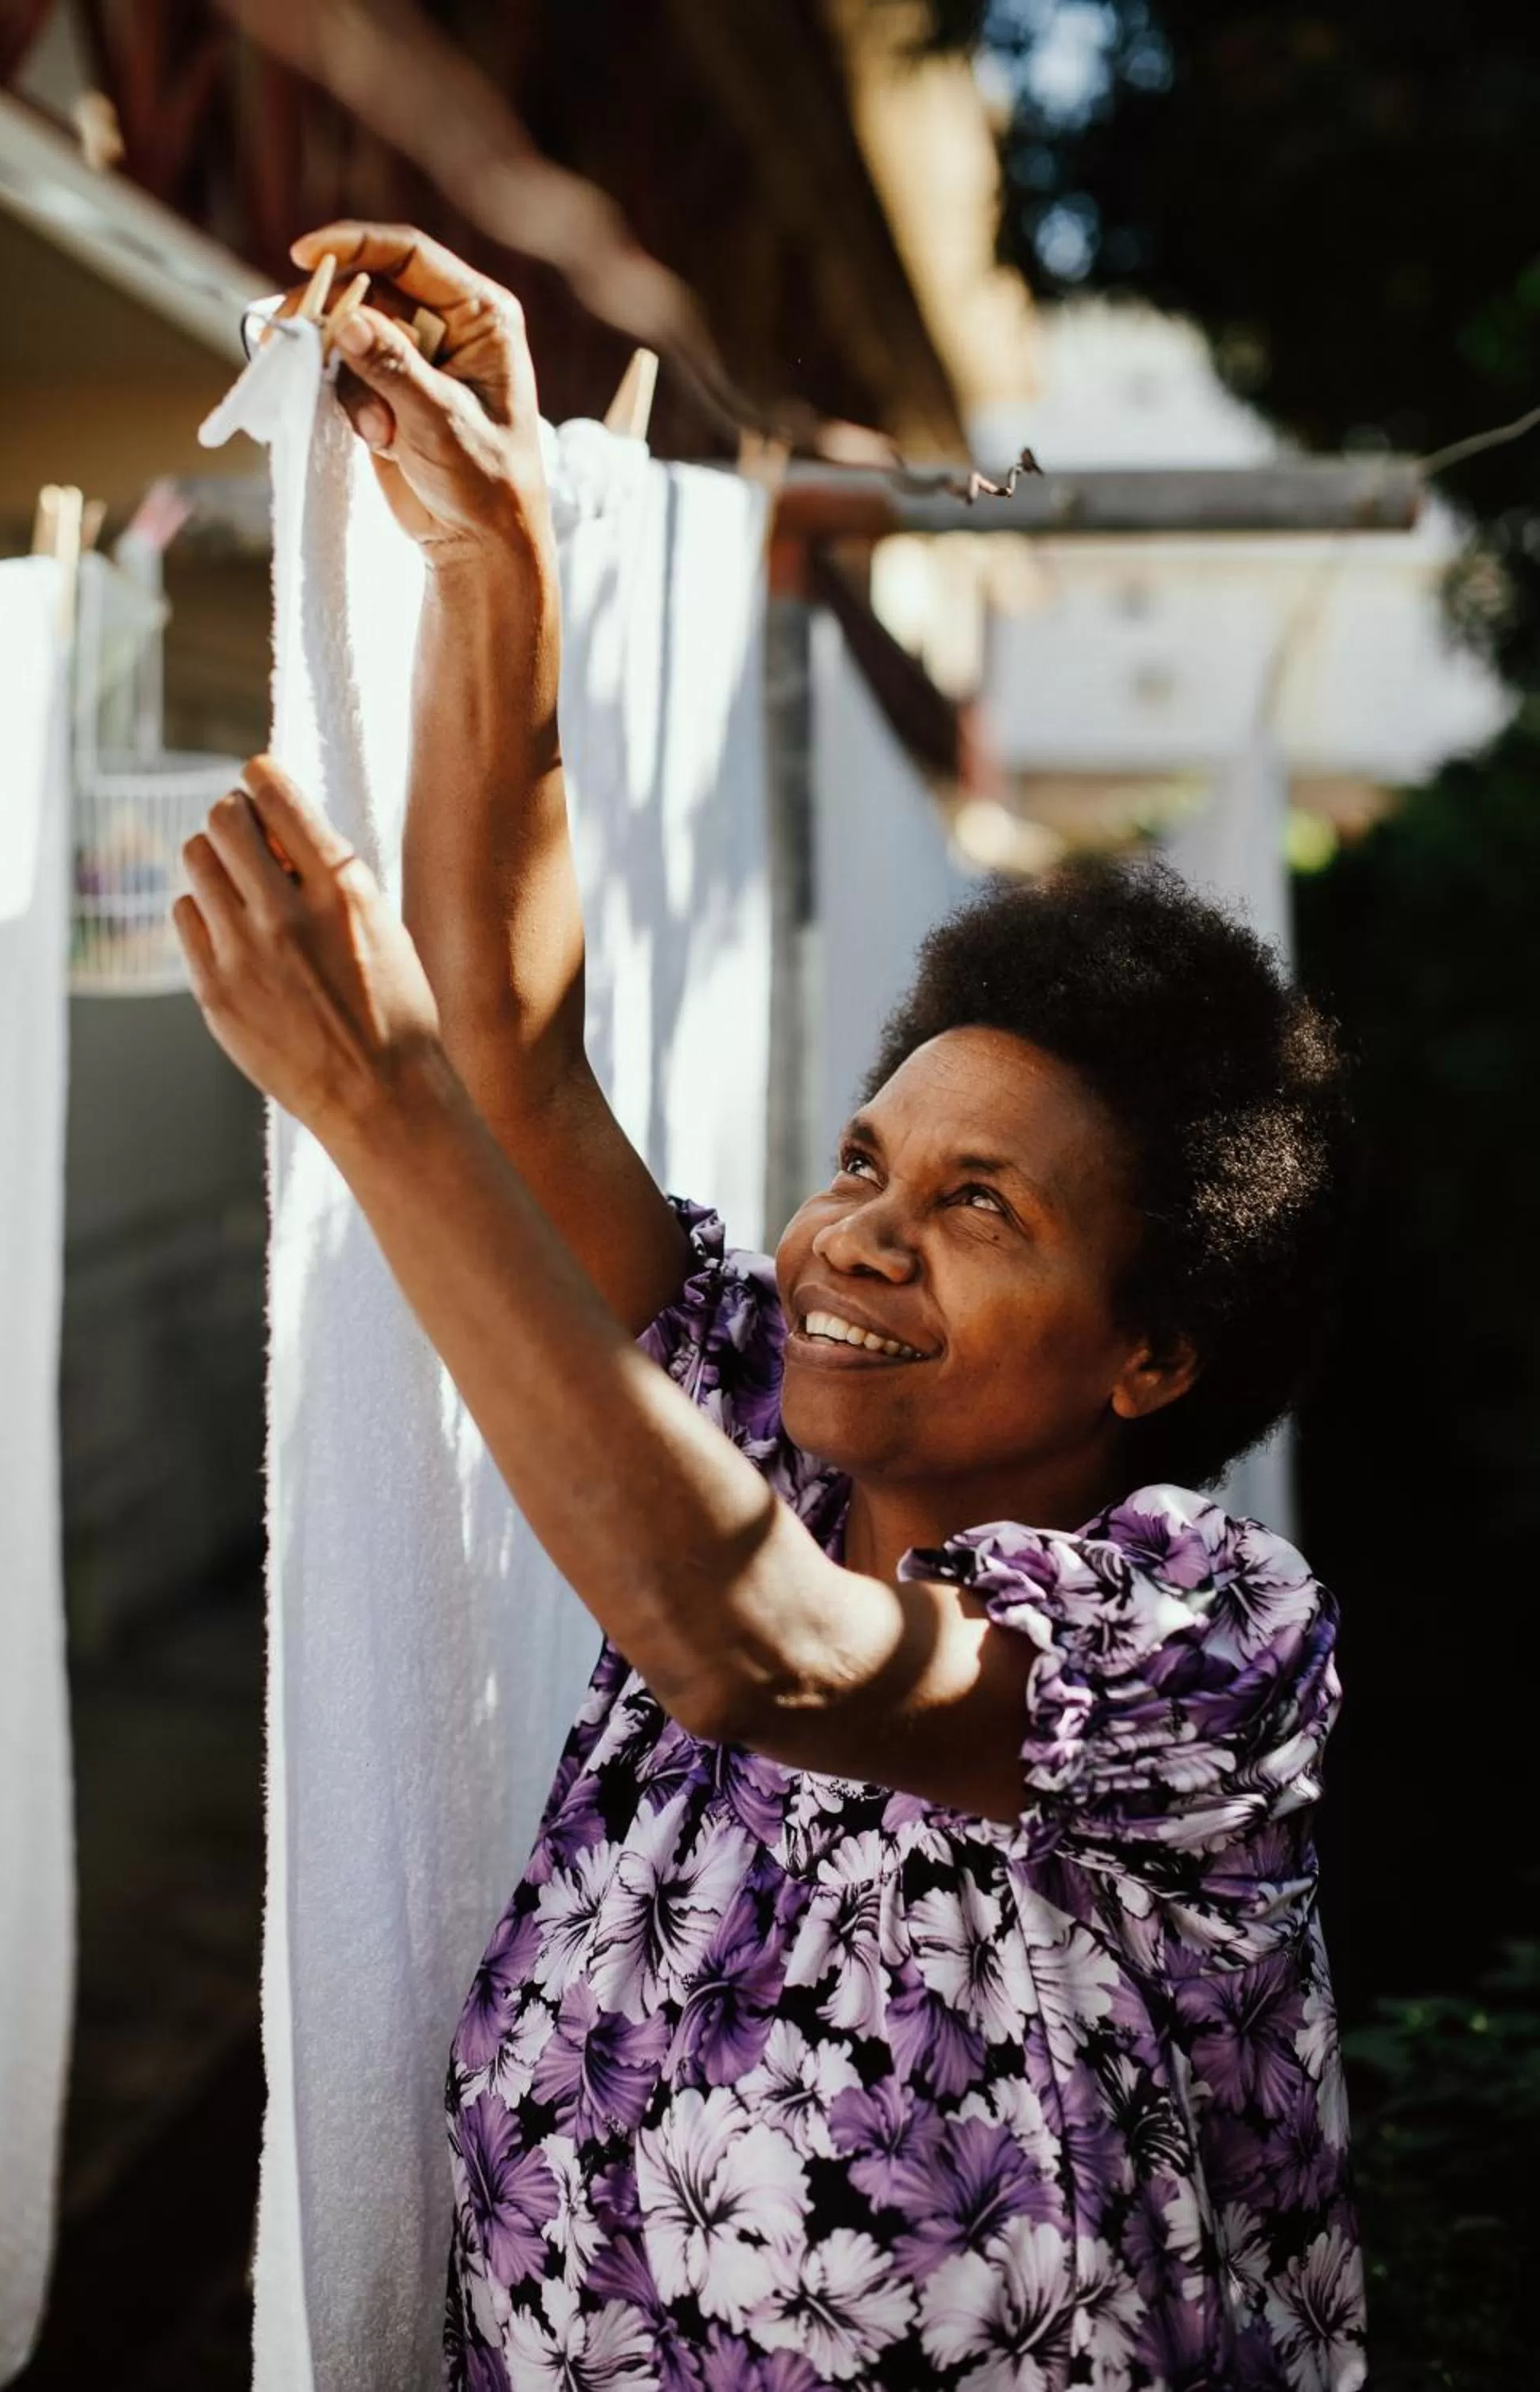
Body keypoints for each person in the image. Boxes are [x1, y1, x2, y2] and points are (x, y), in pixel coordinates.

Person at [176, 222, 1365, 2392]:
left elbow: (746, 1649)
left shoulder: (1204, 1648)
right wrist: (495, 552)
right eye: (864, 1164)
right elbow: (528, 1069)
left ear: (1153, 1353)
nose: (859, 1239)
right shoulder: (762, 1442)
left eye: (978, 1206)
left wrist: (375, 1099)